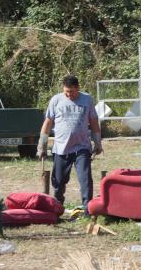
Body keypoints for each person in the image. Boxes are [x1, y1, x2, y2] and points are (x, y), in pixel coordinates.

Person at [37, 75, 102, 214]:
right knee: (59, 182)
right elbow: (48, 123)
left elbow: (94, 122)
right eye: (66, 91)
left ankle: (87, 209)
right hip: (61, 148)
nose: (69, 94)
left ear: (78, 88)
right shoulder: (56, 100)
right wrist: (41, 146)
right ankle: (57, 207)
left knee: (85, 179)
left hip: (82, 147)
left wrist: (97, 143)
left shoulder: (87, 99)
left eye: (71, 91)